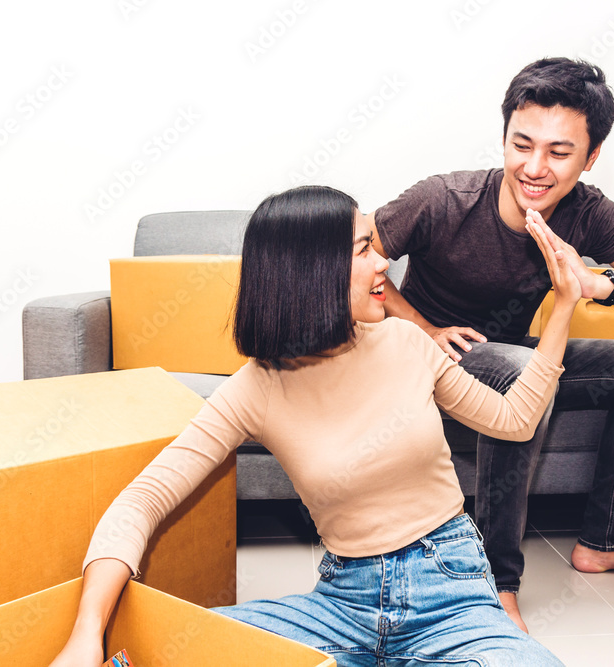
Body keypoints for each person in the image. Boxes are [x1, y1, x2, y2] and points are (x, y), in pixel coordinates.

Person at [49, 184, 583, 666]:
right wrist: (86, 634)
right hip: (342, 608)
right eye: (364, 250)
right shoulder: (256, 389)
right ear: (311, 271)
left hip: (449, 590)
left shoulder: (407, 344)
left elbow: (514, 422)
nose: (383, 266)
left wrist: (563, 306)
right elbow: (143, 500)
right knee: (167, 653)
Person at [363, 57, 614, 631]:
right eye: (522, 145)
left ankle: (605, 539)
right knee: (523, 368)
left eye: (559, 152)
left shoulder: (589, 214)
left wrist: (594, 283)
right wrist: (421, 327)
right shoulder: (444, 199)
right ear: (503, 139)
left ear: (592, 158)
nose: (535, 167)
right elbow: (355, 260)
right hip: (421, 366)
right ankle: (492, 583)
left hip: (509, 357)